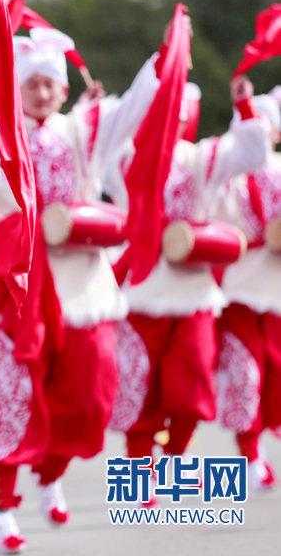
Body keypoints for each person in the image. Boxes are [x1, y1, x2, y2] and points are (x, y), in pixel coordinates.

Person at [0, 23, 168, 552]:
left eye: (49, 83)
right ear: (17, 87)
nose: (40, 91)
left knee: (92, 393)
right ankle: (0, 506)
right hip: (20, 285)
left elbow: (135, 110)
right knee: (14, 393)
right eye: (30, 82)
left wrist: (167, 52)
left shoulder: (86, 130)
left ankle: (51, 471)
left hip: (82, 287)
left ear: (64, 88)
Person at [109, 75, 272, 504]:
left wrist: (245, 109)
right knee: (139, 389)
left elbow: (254, 153)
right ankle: (139, 477)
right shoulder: (124, 157)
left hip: (194, 294)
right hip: (140, 293)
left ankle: (173, 463)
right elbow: (98, 137)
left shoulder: (201, 158)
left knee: (192, 387)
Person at [196, 87, 281, 489]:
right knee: (244, 373)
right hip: (239, 289)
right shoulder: (227, 173)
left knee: (277, 372)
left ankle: (269, 430)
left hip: (277, 290)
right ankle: (249, 451)